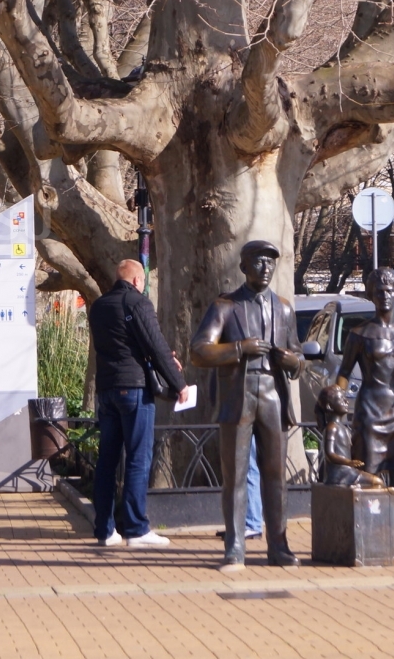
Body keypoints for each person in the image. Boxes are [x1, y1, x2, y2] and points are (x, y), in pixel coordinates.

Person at [190, 240, 305, 571]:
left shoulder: (283, 308)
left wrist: (292, 361)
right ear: (243, 267)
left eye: (270, 262)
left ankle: (279, 545)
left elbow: (299, 357)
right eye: (258, 262)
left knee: (275, 476)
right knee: (236, 476)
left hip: (272, 394)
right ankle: (235, 545)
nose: (265, 268)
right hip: (238, 396)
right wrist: (239, 347)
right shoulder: (225, 306)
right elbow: (199, 350)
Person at [88, 259, 188, 548]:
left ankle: (105, 530)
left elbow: (124, 343)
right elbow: (154, 344)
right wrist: (178, 385)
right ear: (136, 281)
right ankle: (135, 528)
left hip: (106, 389)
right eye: (143, 281)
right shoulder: (137, 303)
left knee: (107, 460)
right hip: (133, 389)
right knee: (137, 457)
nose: (143, 286)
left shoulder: (99, 306)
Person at [334, 266, 394, 556]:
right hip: (370, 411)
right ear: (370, 296)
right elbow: (344, 372)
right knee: (369, 475)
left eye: (390, 290)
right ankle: (370, 533)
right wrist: (336, 396)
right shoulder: (359, 334)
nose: (385, 295)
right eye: (379, 291)